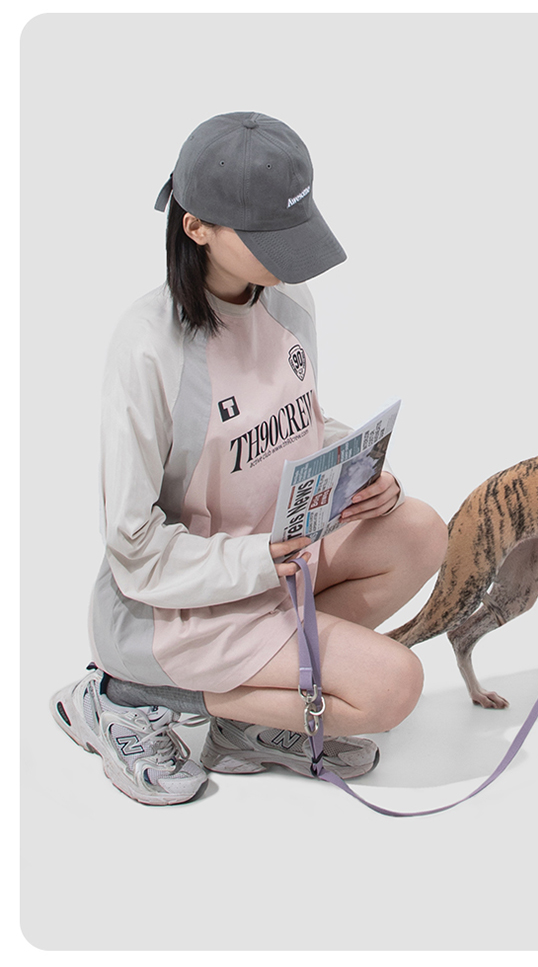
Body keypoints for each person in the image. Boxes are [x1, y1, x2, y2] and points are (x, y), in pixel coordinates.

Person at [50, 111, 448, 806]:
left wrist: (357, 469)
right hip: (179, 604)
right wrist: (257, 559)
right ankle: (127, 694)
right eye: (268, 238)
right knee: (393, 687)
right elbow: (133, 545)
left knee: (420, 530)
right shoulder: (148, 347)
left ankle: (249, 725)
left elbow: (294, 423)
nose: (289, 257)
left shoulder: (290, 302)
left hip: (274, 562)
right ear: (196, 227)